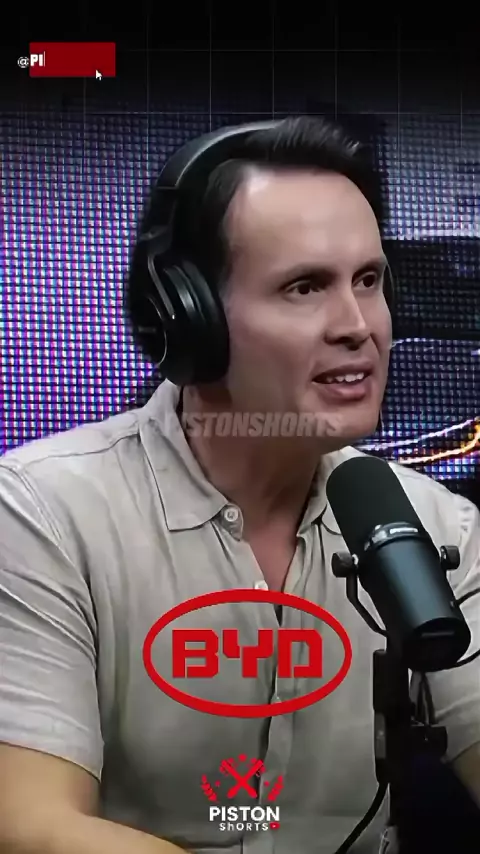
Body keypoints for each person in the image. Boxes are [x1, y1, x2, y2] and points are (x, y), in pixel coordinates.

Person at [0, 116, 479, 854]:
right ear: (189, 320)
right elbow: (31, 825)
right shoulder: (44, 511)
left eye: (369, 281)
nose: (358, 325)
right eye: (304, 287)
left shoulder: (438, 526)